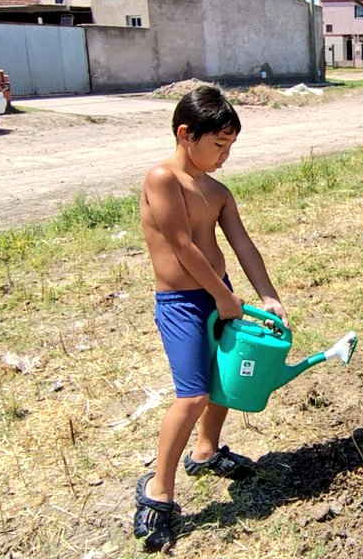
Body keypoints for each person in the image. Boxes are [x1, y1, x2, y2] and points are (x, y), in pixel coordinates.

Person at [133, 85, 288, 551]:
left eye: (230, 147)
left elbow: (242, 244)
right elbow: (183, 246)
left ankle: (206, 451)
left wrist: (267, 293)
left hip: (221, 299)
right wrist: (224, 296)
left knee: (222, 382)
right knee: (193, 394)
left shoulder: (218, 192)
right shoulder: (163, 179)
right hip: (184, 304)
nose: (224, 156)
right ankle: (157, 490)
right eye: (218, 145)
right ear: (185, 134)